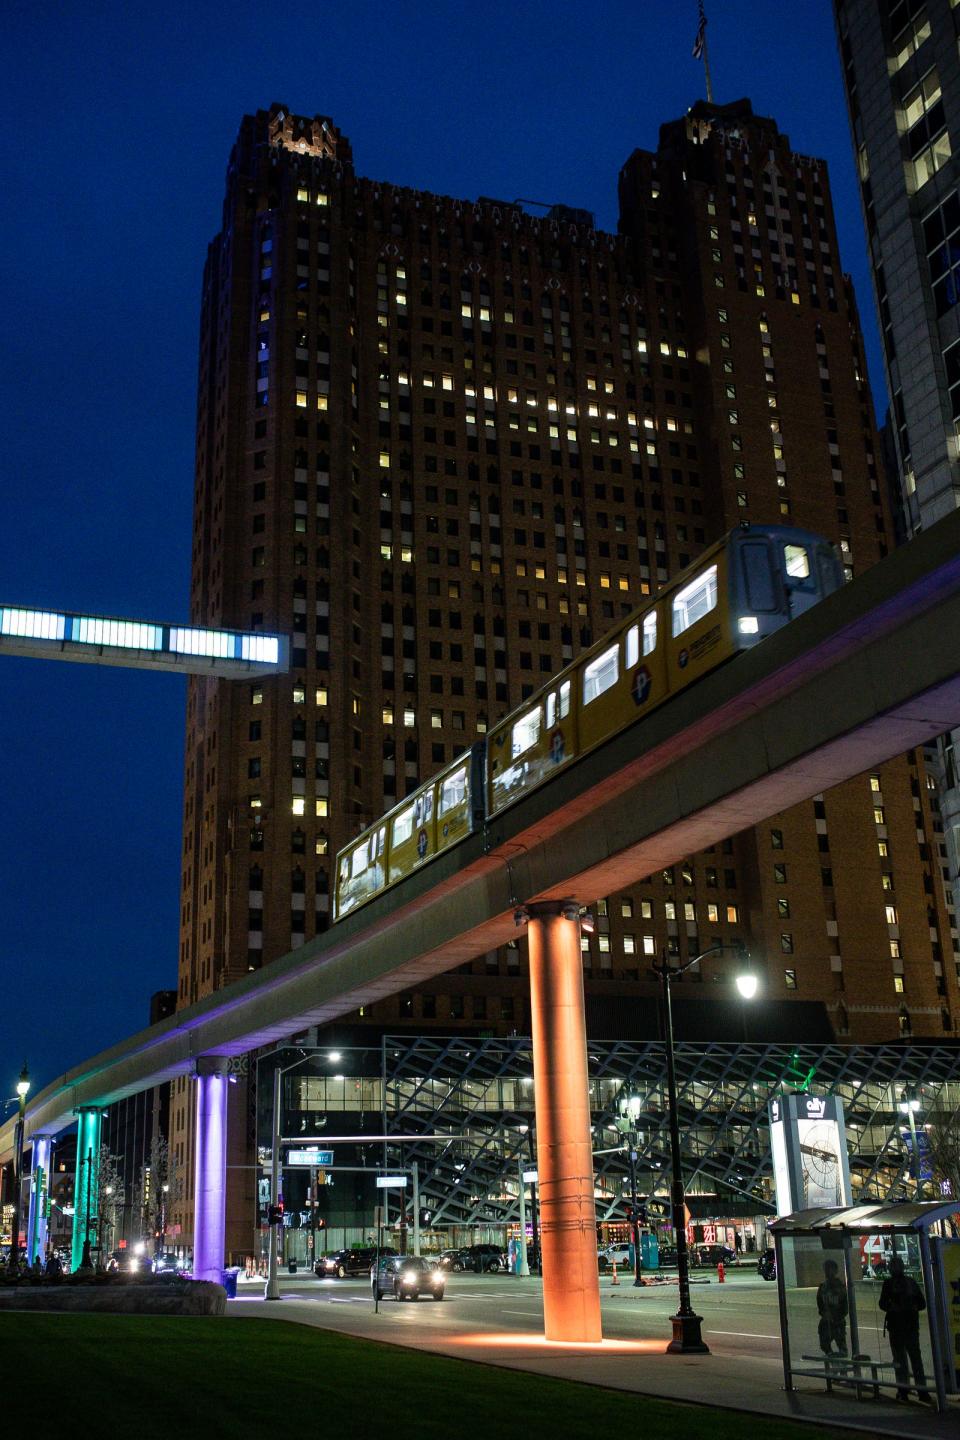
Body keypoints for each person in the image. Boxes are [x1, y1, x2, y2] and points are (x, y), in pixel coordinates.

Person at [879, 1256, 931, 1403]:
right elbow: (922, 1303)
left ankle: (904, 1390)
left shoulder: (890, 1284)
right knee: (914, 1359)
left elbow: (882, 1304)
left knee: (901, 1360)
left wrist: (893, 1307)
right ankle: (921, 1391)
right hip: (909, 1327)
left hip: (898, 1327)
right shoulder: (910, 1283)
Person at [816, 1258, 848, 1358]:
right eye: (825, 1269)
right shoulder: (823, 1287)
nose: (827, 1272)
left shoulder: (840, 1287)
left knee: (842, 1347)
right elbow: (820, 1304)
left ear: (835, 1270)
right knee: (824, 1344)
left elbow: (845, 1305)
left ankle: (842, 1368)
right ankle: (831, 1358)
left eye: (829, 1269)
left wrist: (837, 1317)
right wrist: (824, 1314)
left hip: (837, 1321)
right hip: (827, 1321)